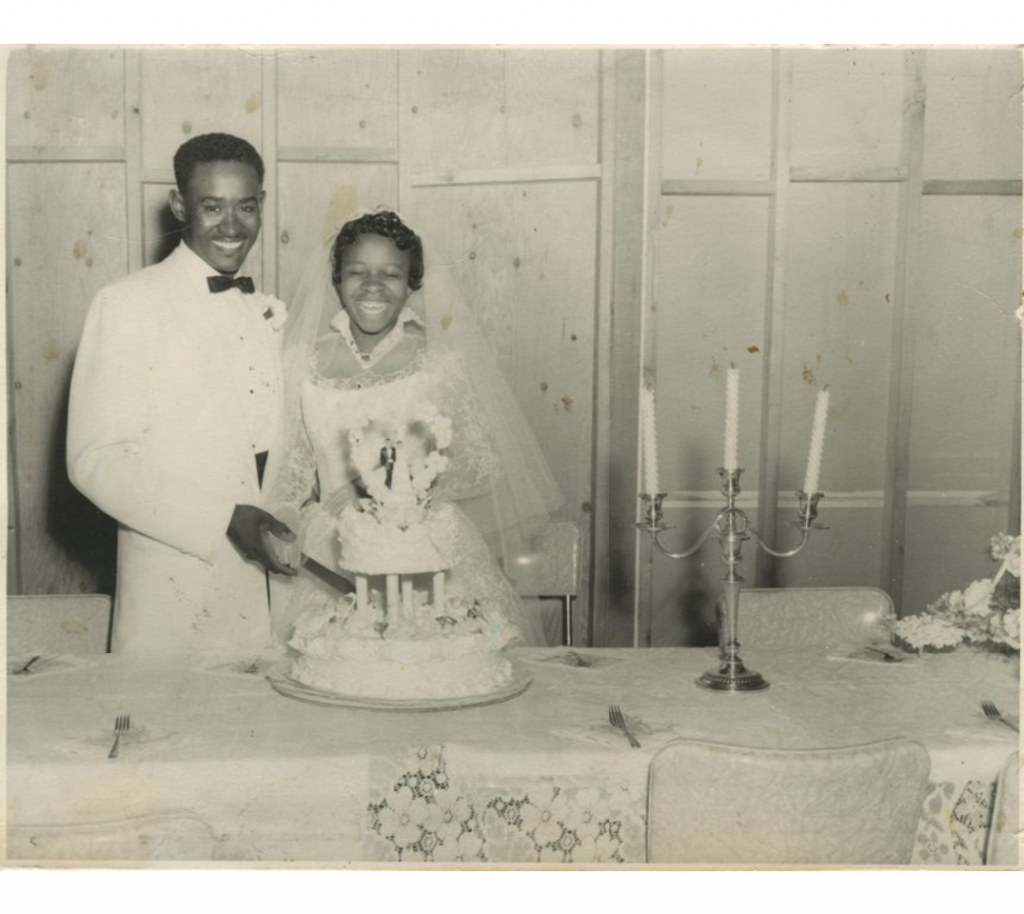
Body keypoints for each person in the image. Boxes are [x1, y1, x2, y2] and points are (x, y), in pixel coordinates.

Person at [263, 210, 562, 647]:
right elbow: (288, 475)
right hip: (328, 548)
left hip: (421, 545)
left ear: (411, 284)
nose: (372, 286)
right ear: (337, 280)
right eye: (357, 272)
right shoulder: (301, 362)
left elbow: (476, 463)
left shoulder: (437, 362)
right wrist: (287, 524)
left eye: (391, 274)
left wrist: (388, 493)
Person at [67, 133, 296, 654]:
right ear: (179, 205)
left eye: (246, 206)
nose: (232, 226)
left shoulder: (270, 311)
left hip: (274, 607)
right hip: (177, 607)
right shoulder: (126, 304)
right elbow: (96, 461)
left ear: (262, 206)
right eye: (212, 207)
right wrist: (224, 519)